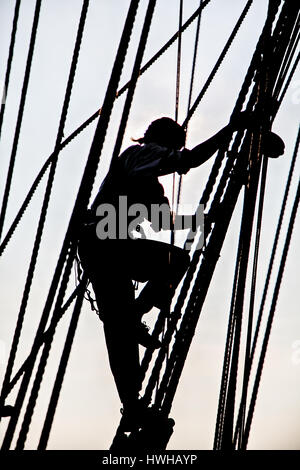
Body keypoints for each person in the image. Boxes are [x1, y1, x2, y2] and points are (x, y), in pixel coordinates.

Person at [78, 115, 284, 429]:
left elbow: (163, 222)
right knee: (172, 265)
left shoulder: (142, 175)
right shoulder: (141, 155)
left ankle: (132, 406)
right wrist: (231, 128)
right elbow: (189, 161)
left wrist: (205, 219)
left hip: (102, 247)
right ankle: (137, 314)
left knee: (120, 331)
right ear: (165, 142)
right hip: (107, 243)